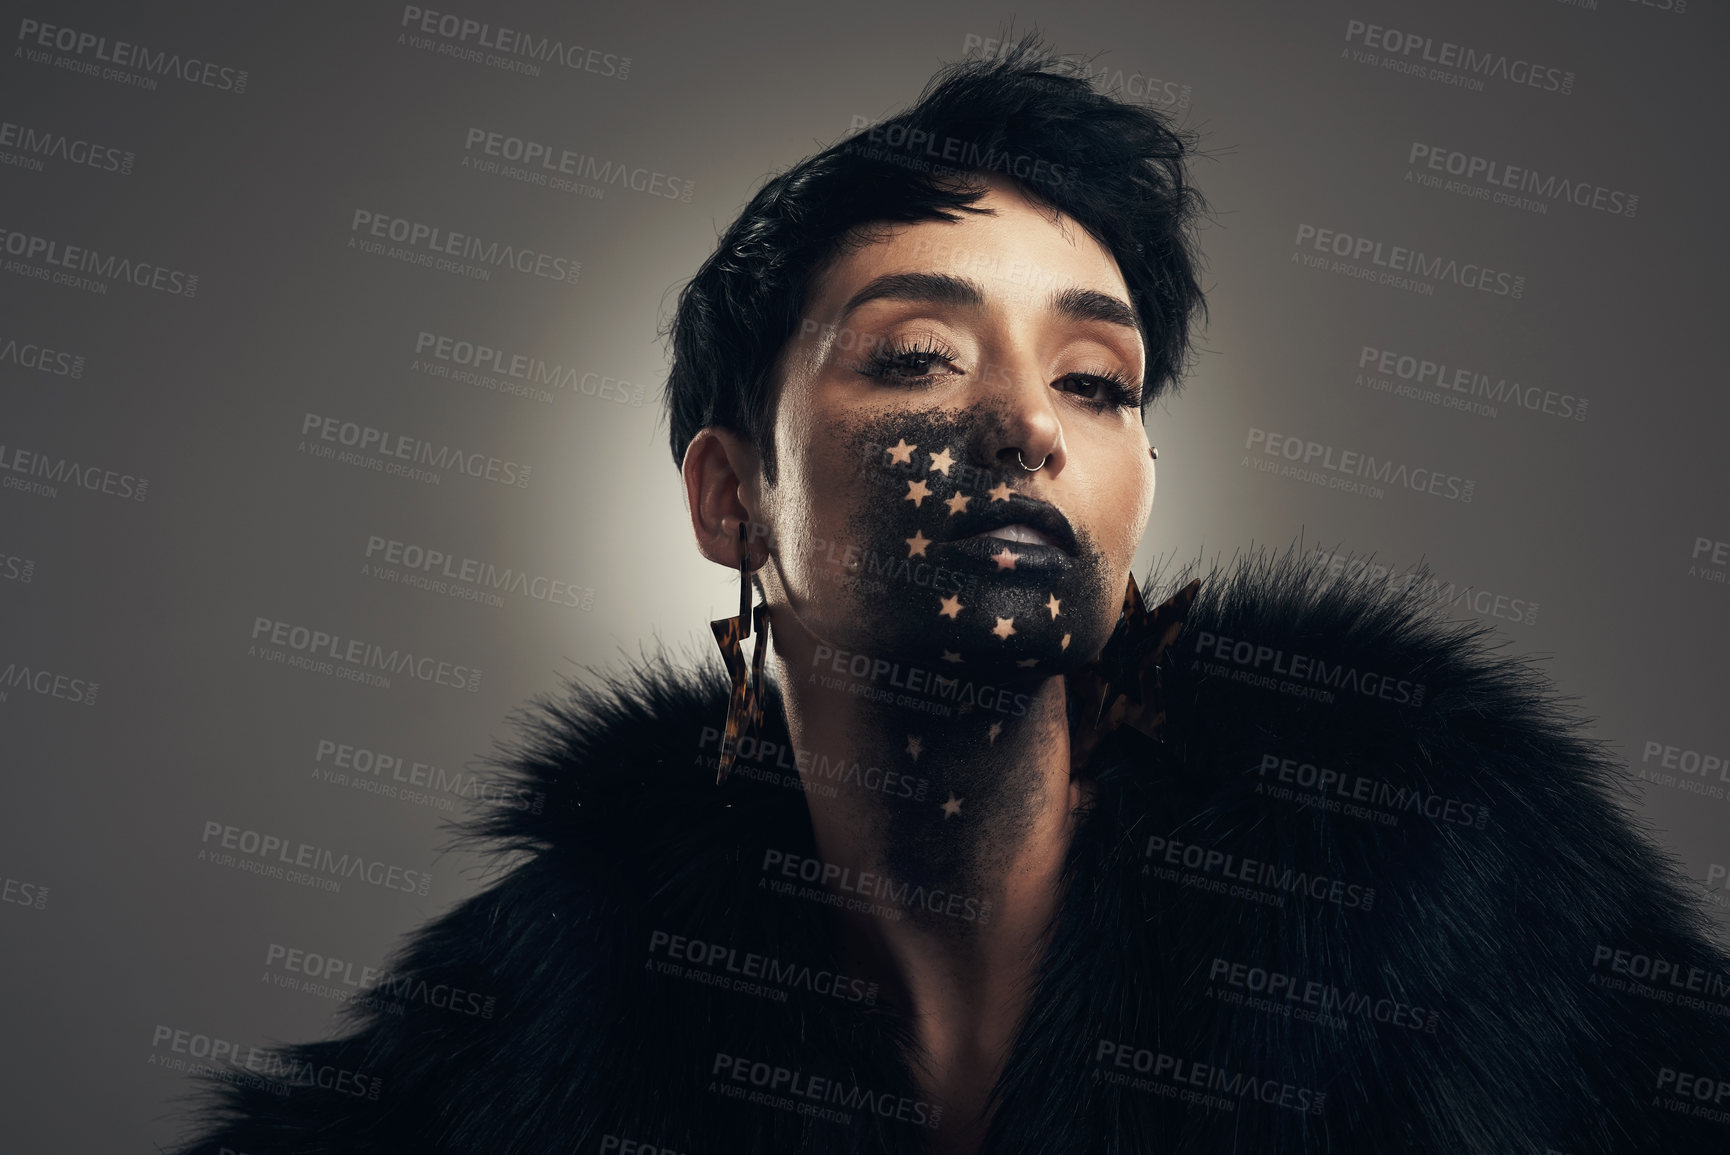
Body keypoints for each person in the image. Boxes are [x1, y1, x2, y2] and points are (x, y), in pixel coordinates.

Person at [174, 36, 1730, 1155]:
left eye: (1097, 380)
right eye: (916, 355)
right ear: (733, 500)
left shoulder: (1440, 887)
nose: (1024, 424)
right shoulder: (523, 1033)